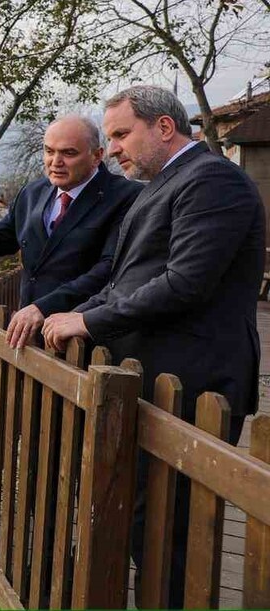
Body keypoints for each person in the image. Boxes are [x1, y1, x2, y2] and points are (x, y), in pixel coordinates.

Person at [42, 85, 264, 608]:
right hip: (158, 381)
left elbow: (184, 282)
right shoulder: (167, 184)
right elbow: (125, 278)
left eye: (121, 134)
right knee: (148, 526)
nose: (112, 148)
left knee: (175, 538)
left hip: (194, 383)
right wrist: (66, 312)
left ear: (164, 128)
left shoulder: (213, 182)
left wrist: (89, 321)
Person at [0, 115, 141, 348]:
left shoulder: (125, 197)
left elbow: (109, 270)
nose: (56, 161)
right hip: (30, 332)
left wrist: (45, 307)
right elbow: (0, 240)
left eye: (69, 153)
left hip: (86, 338)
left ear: (96, 156)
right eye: (49, 151)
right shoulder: (33, 192)